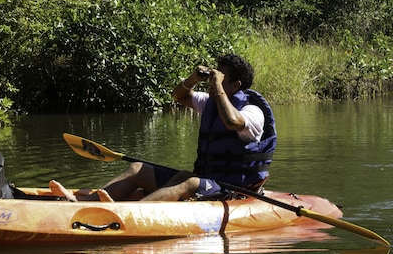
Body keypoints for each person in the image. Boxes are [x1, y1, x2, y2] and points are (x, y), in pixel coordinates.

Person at [50, 53, 276, 202]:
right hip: (207, 180)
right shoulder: (211, 102)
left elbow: (231, 122)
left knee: (190, 182)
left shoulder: (252, 112)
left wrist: (216, 85)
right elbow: (180, 96)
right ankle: (82, 203)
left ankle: (130, 213)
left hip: (234, 189)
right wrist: (193, 79)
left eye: (219, 77)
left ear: (235, 85)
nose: (212, 81)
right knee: (139, 168)